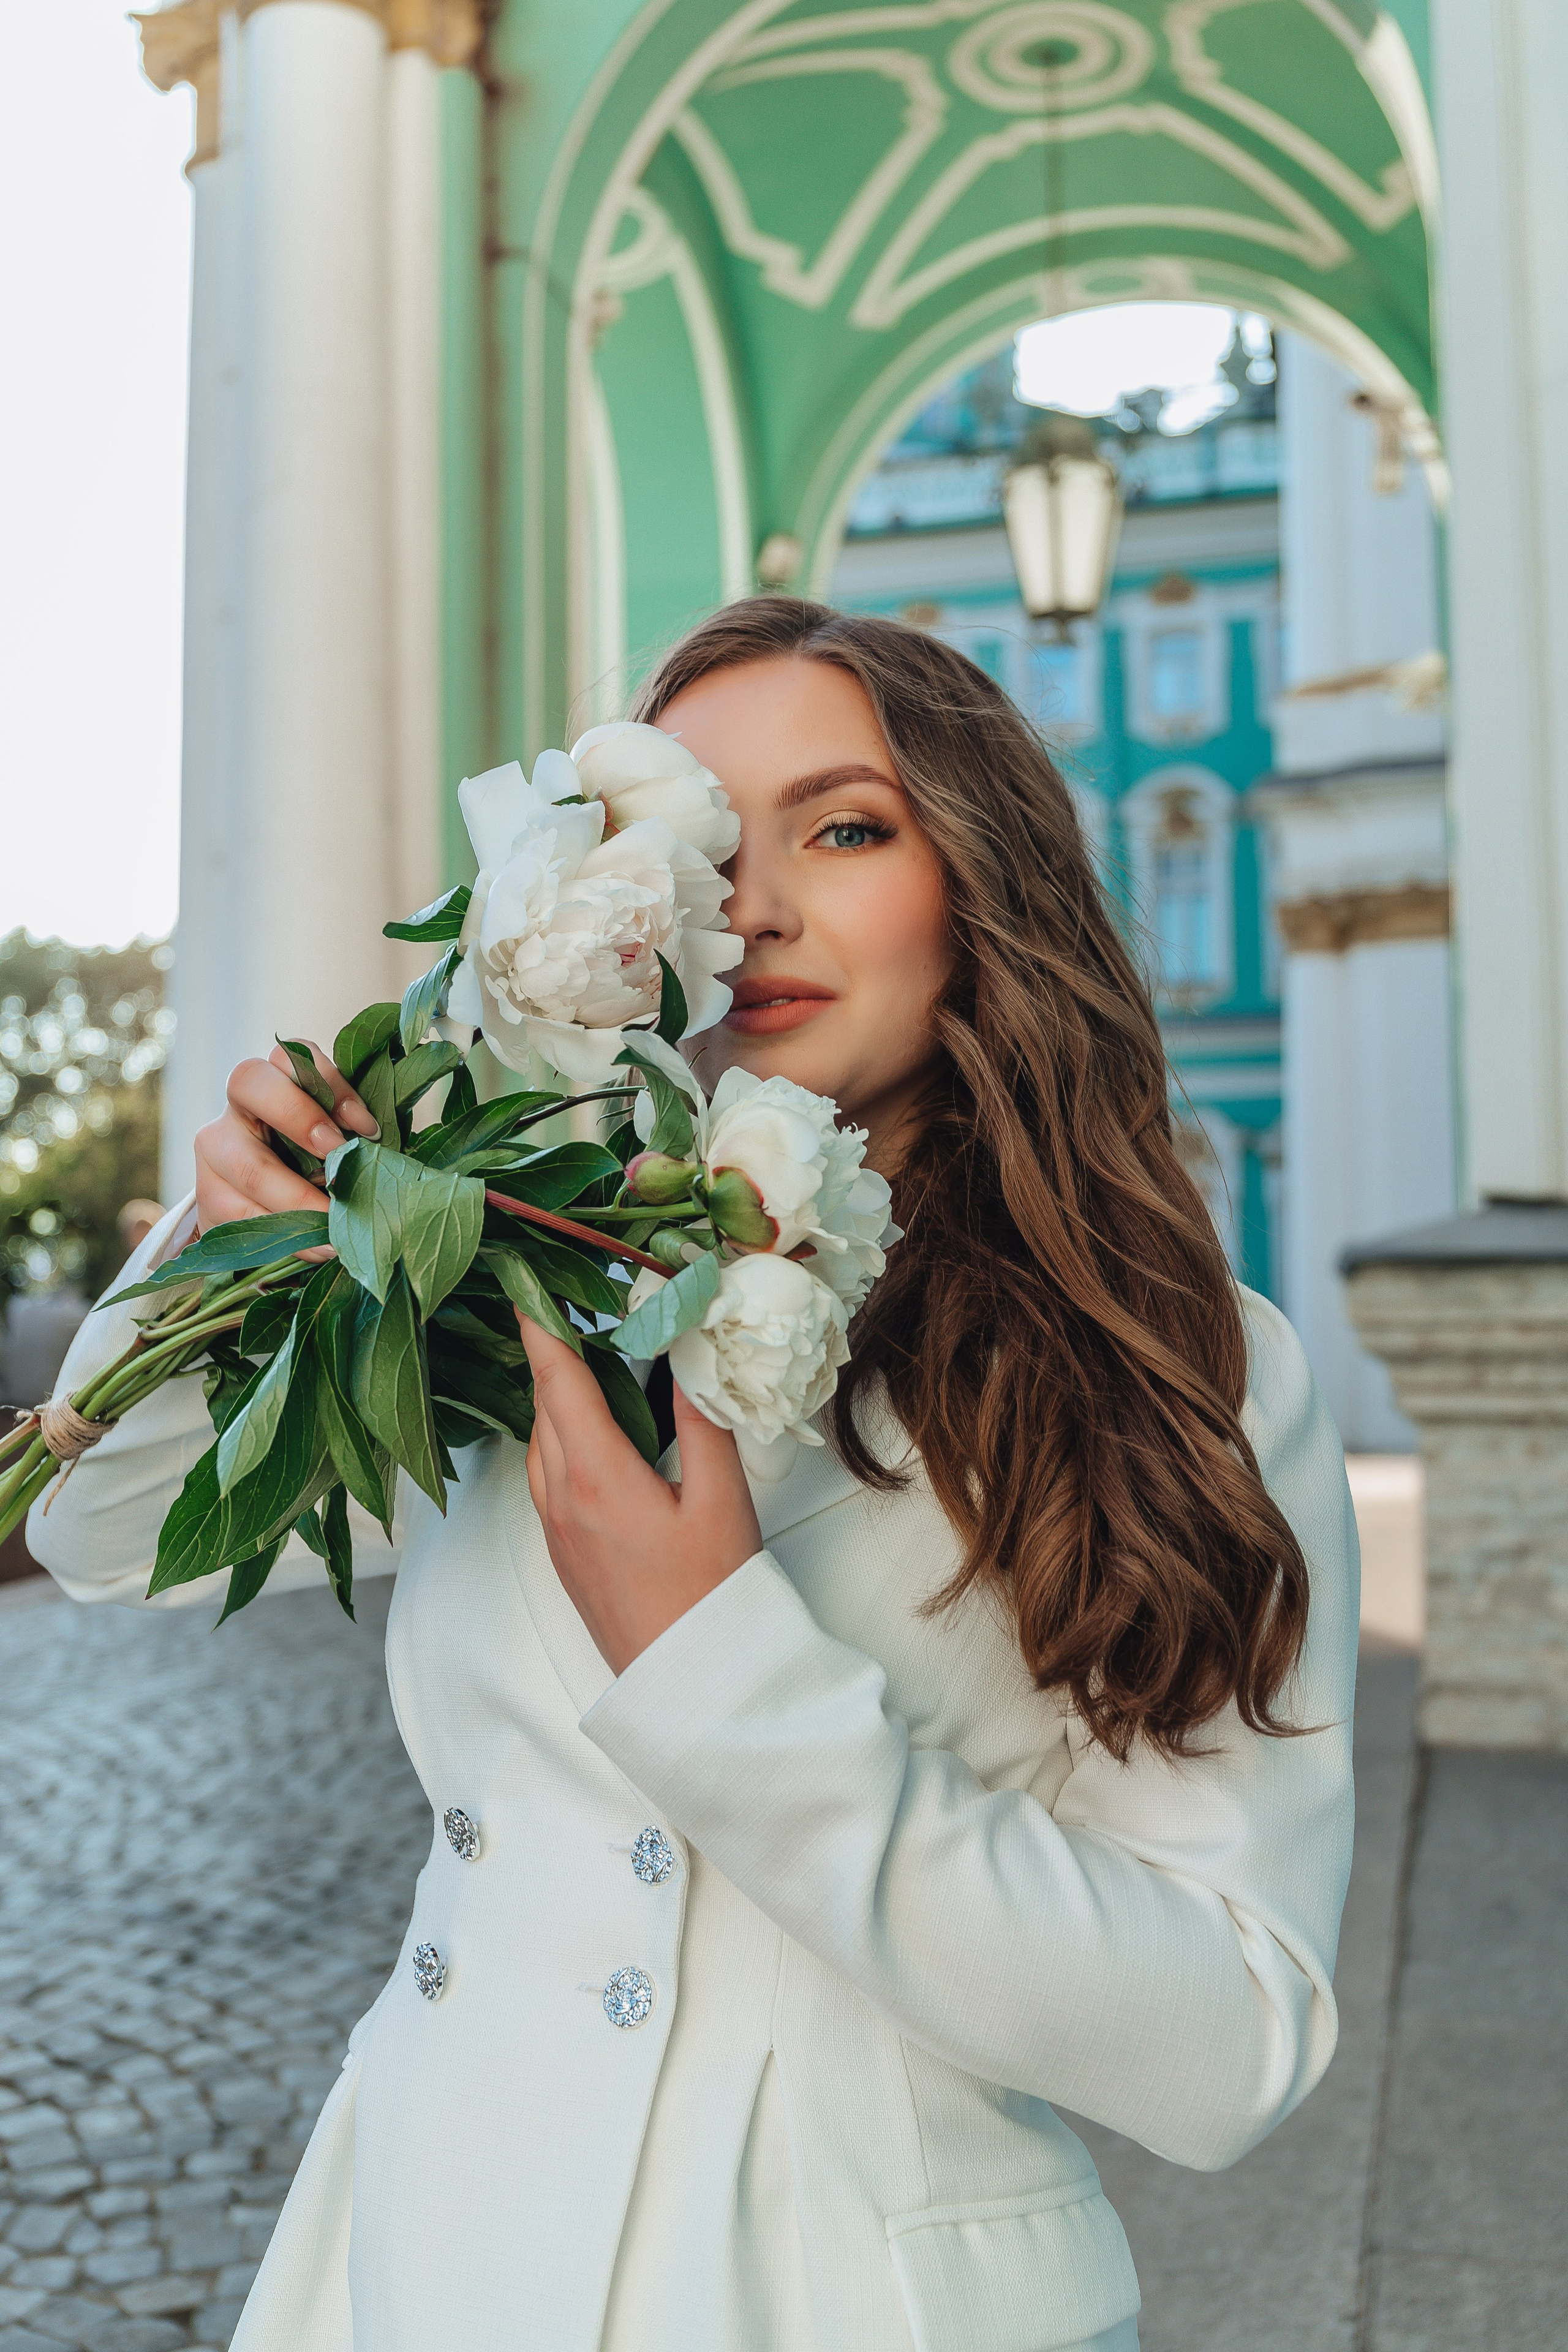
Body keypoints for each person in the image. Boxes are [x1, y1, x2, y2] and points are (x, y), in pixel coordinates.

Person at [30, 600, 1359, 2352]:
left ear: (981, 883)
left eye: (847, 827)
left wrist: (717, 1663)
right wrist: (243, 1244)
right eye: (696, 842)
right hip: (424, 2265)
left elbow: (1231, 2041)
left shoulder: (1181, 1360)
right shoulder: (519, 1266)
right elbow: (115, 1537)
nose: (750, 902)